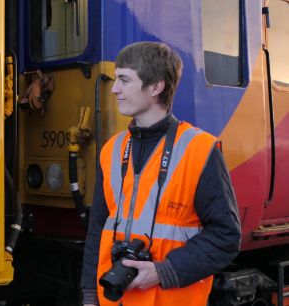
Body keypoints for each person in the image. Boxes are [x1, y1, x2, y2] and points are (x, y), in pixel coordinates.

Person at [81, 42, 241, 306]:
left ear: (156, 87)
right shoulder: (111, 151)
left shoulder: (200, 150)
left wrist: (162, 271)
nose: (115, 89)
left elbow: (226, 236)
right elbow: (97, 230)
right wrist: (89, 296)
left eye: (124, 80)